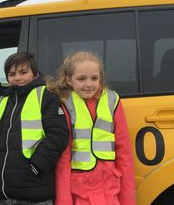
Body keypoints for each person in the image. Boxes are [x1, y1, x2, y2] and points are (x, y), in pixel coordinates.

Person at [48, 51, 136, 205]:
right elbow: (63, 159)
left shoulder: (112, 100)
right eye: (81, 79)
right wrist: (64, 201)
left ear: (100, 78)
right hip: (80, 192)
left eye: (94, 78)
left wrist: (128, 201)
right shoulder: (65, 103)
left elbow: (124, 154)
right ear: (69, 79)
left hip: (110, 191)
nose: (89, 84)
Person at [0, 52, 69, 205]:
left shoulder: (46, 96)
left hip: (34, 192)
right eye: (12, 74)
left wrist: (37, 166)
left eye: (23, 72)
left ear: (34, 74)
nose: (18, 77)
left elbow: (58, 135)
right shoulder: (3, 100)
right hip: (3, 193)